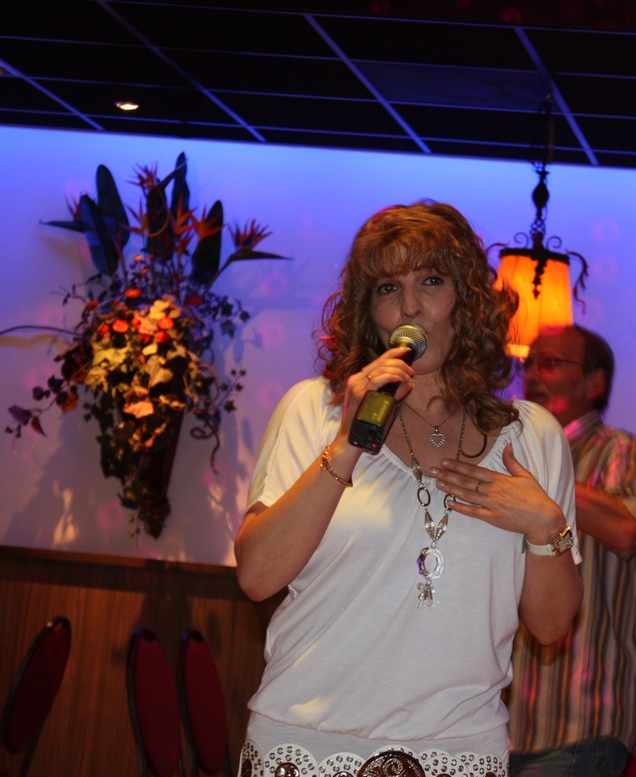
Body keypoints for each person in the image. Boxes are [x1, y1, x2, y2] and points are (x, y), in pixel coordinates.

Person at [234, 201, 583, 776]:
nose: (411, 307)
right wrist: (347, 441)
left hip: (458, 751)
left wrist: (547, 528)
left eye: (432, 281)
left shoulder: (533, 436)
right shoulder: (315, 411)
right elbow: (257, 576)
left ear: (467, 302)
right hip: (306, 743)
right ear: (368, 313)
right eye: (388, 288)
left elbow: (551, 627)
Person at [508, 324, 636, 777]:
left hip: (579, 722)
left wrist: (538, 478)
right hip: (500, 723)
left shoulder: (619, 450)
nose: (533, 375)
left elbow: (624, 528)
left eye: (550, 364)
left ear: (594, 383)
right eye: (529, 364)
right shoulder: (513, 452)